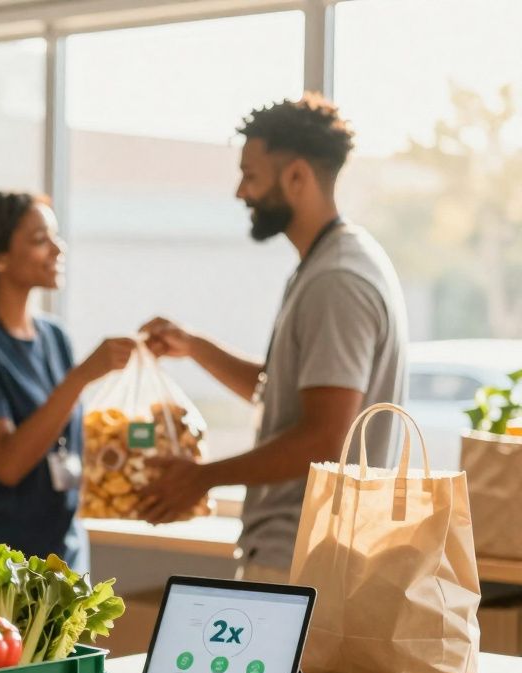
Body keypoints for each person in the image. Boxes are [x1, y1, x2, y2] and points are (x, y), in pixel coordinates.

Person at [139, 93, 409, 583]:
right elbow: (286, 396)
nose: (240, 192)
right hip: (300, 550)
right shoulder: (327, 263)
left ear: (297, 177)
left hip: (308, 558)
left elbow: (324, 435)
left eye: (251, 175)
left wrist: (201, 478)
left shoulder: (337, 280)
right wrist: (195, 347)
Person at [0, 191, 135, 571]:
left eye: (55, 237)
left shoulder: (55, 336)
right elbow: (7, 465)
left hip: (65, 556)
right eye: (41, 240)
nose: (58, 249)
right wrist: (80, 378)